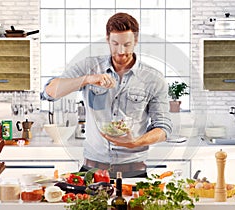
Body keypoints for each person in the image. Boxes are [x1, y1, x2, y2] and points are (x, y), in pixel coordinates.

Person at [41, 12, 173, 178]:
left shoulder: (154, 79)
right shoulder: (89, 67)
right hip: (92, 170)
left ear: (136, 41)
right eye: (115, 43)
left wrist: (135, 143)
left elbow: (164, 128)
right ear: (107, 39)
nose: (121, 51)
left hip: (134, 171)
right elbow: (49, 92)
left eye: (127, 44)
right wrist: (87, 79)